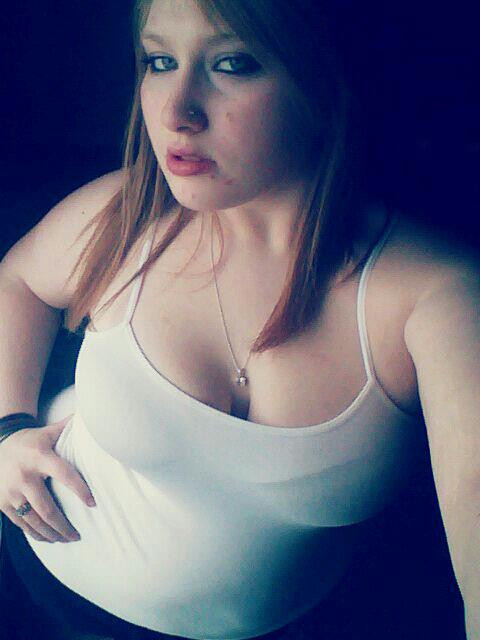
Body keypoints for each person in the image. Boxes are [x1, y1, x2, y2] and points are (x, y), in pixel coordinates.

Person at [0, 1, 479, 639]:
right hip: (37, 584)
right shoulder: (129, 215)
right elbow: (16, 281)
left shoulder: (436, 295)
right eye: (159, 61)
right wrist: (7, 430)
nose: (176, 112)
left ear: (325, 81)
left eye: (233, 64)